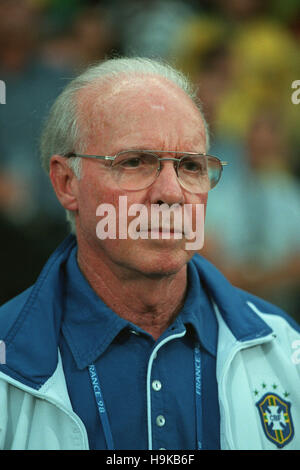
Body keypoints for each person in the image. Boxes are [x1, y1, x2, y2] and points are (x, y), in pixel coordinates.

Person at [0, 57, 299, 451]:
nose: (172, 193)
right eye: (135, 162)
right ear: (66, 182)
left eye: (191, 165)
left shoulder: (285, 348)